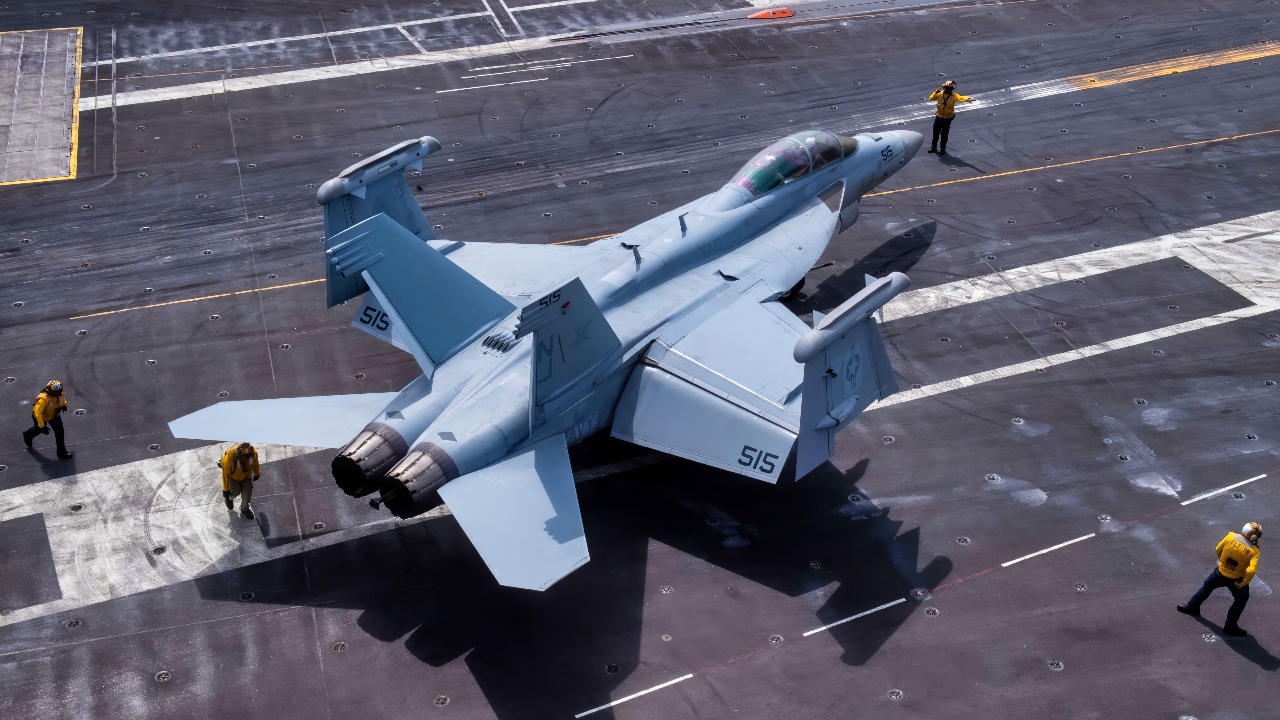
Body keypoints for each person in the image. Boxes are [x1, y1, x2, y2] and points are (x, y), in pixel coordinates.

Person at [1177, 522, 1262, 636]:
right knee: (1241, 600)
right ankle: (1230, 627)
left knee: (1207, 587)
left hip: (1220, 573)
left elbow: (1218, 549)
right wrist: (1244, 582)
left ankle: (1192, 607)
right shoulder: (1254, 550)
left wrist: (1224, 563)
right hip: (1237, 579)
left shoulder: (1231, 536)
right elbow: (1251, 571)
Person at [22, 380, 73, 459]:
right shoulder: (44, 400)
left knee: (60, 432)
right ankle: (27, 435)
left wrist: (64, 405)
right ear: (50, 391)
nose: (58, 394)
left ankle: (61, 452)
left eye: (60, 392)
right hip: (41, 417)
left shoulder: (59, 394)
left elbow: (62, 398)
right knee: (38, 430)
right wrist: (42, 426)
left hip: (54, 415)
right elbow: (37, 413)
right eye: (56, 393)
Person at [927, 80, 975, 155]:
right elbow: (931, 99)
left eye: (950, 89)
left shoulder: (954, 96)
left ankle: (942, 149)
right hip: (939, 117)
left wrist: (968, 99)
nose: (948, 90)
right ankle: (933, 147)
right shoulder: (939, 94)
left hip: (947, 119)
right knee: (935, 133)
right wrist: (935, 93)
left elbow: (961, 98)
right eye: (947, 89)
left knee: (944, 134)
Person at [219, 442, 260, 520]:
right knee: (234, 492)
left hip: (246, 476)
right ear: (239, 455)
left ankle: (244, 509)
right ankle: (229, 499)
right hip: (233, 477)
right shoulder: (229, 458)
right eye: (244, 458)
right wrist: (225, 490)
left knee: (248, 492)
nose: (246, 459)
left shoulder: (254, 453)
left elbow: (255, 463)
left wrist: (257, 473)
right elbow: (225, 475)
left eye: (248, 457)